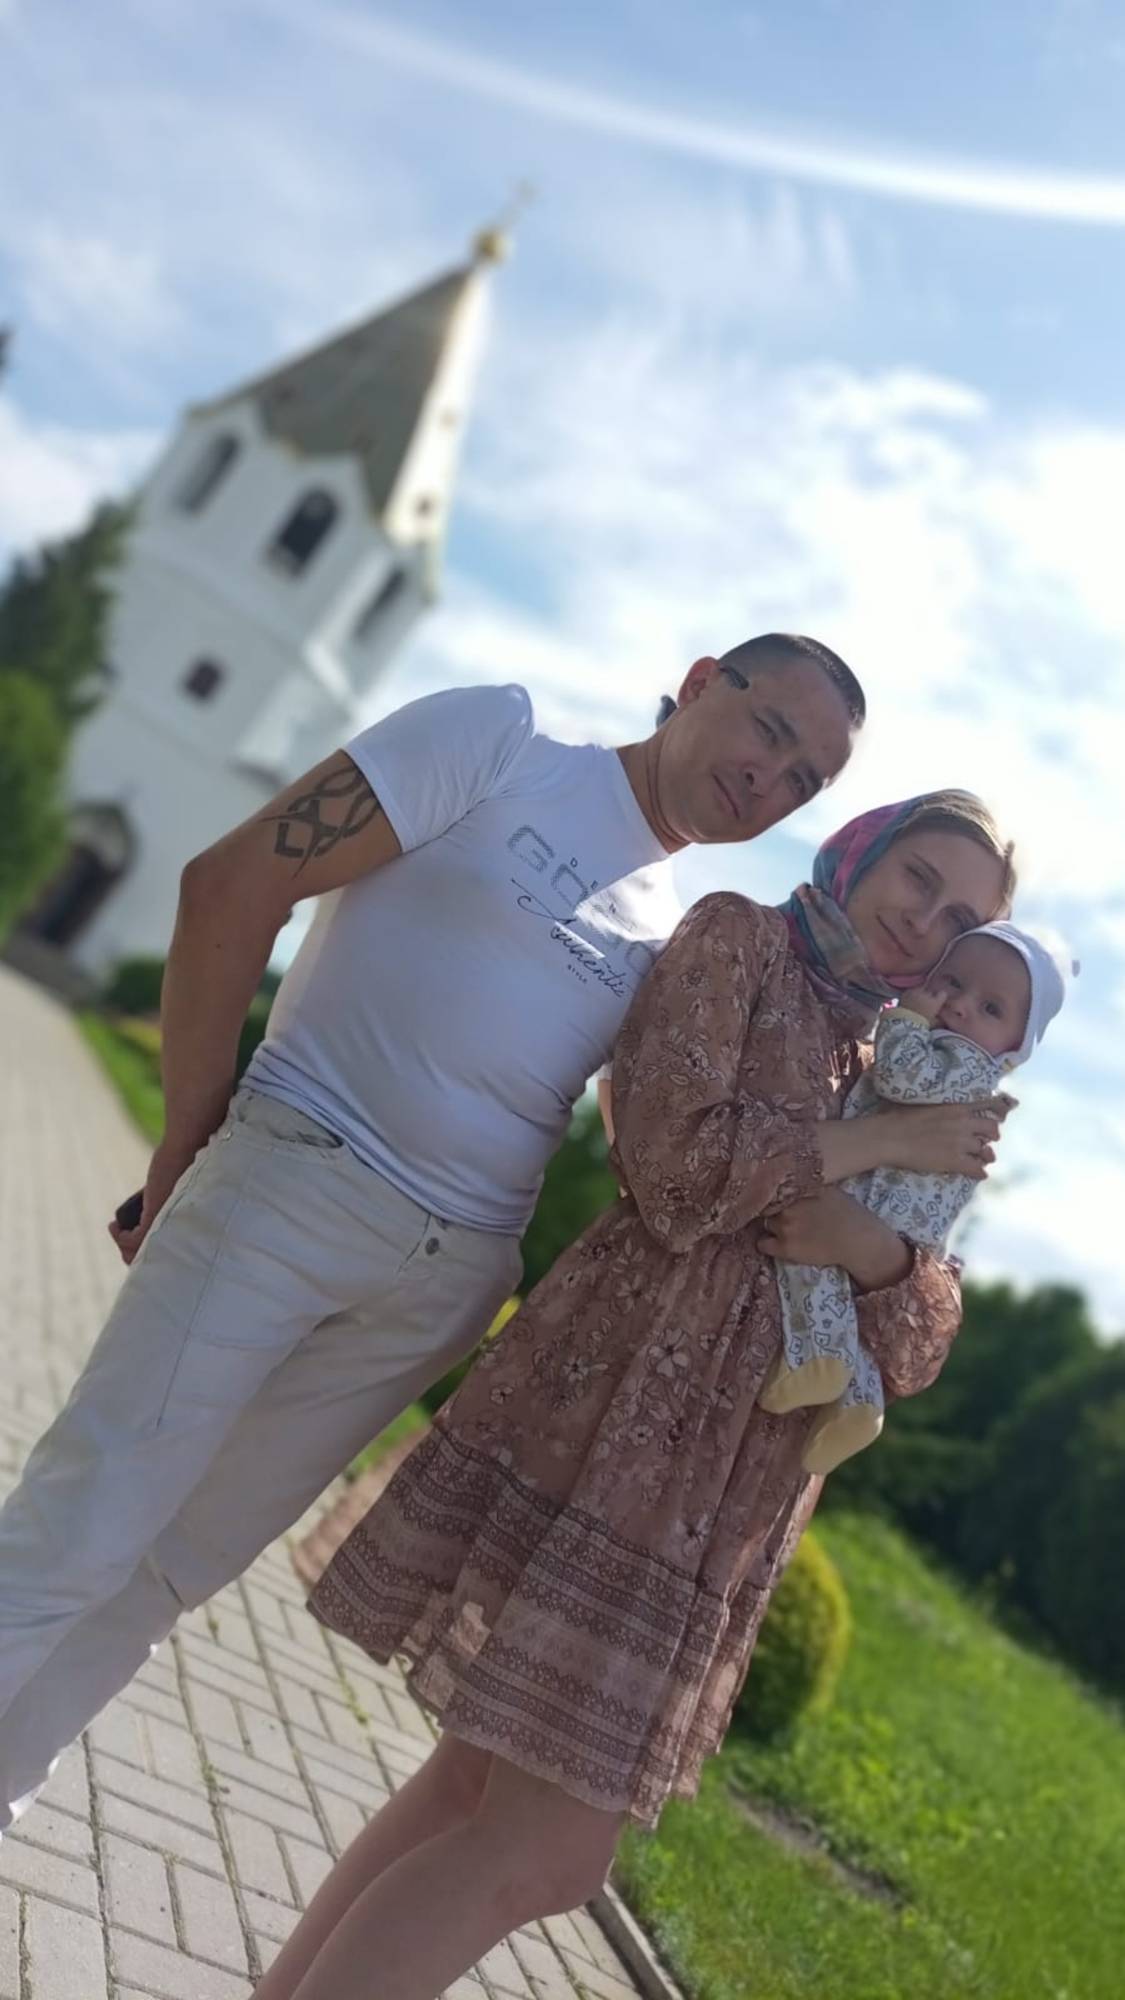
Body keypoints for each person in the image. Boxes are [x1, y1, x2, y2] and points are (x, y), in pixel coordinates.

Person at [0, 634, 864, 1831]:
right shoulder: (503, 739)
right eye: (772, 731)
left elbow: (666, 1160)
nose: (773, 779)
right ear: (705, 678)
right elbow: (233, 880)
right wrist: (184, 1151)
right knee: (83, 1522)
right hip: (294, 1174)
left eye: (806, 780)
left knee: (169, 1569)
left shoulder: (678, 940)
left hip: (440, 1284)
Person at [247, 788, 1015, 2000]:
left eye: (963, 918)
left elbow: (917, 1341)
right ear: (861, 851)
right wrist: (870, 1152)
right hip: (628, 1432)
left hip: (727, 1488)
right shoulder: (742, 942)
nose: (929, 920)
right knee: (547, 1850)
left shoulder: (886, 1063)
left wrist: (873, 1246)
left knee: (473, 1792)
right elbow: (672, 1164)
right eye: (920, 876)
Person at [763, 917, 1075, 1472]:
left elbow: (901, 1079)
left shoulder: (967, 1067)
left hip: (886, 1202)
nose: (960, 1006)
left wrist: (906, 1019)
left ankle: (817, 1356)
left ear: (1014, 1048)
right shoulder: (958, 1063)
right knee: (843, 1285)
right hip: (896, 1209)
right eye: (952, 982)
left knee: (810, 1252)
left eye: (991, 1008)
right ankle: (857, 1399)